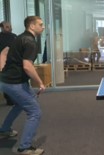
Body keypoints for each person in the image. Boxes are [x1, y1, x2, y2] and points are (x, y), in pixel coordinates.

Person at [0, 16, 45, 154]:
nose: (43, 27)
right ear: (31, 26)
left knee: (21, 104)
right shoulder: (30, 42)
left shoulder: (18, 37)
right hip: (14, 83)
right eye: (40, 24)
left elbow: (4, 52)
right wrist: (40, 82)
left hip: (7, 81)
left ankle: (4, 130)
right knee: (35, 112)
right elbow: (27, 66)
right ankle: (24, 147)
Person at [0, 21, 17, 106]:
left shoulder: (14, 36)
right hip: (2, 63)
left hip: (12, 62)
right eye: (7, 27)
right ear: (2, 27)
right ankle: (9, 99)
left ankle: (12, 99)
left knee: (11, 82)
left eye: (10, 26)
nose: (9, 28)